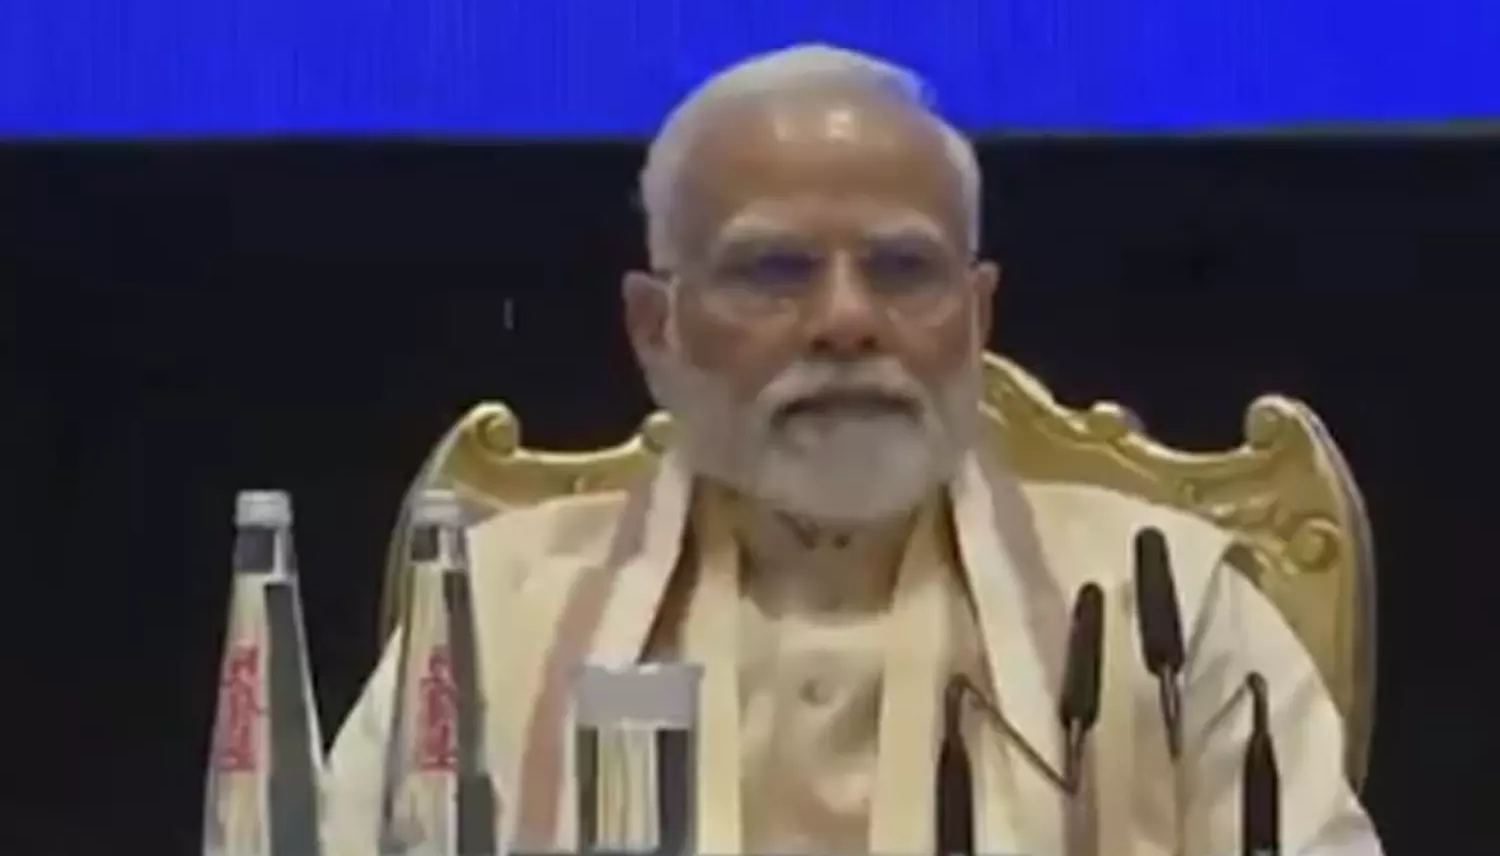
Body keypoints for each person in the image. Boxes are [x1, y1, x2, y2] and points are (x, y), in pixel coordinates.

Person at [322, 44, 1383, 856]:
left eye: (903, 269)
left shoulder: (1175, 606)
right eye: (774, 270)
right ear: (655, 330)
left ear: (977, 315)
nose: (846, 321)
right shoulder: (495, 606)